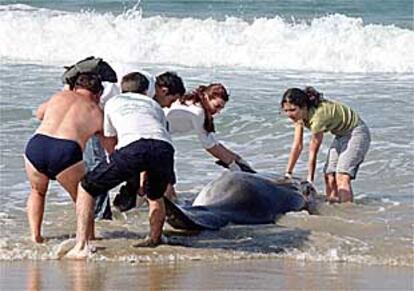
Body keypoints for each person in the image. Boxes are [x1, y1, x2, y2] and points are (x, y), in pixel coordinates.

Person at [66, 71, 186, 259]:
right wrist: (142, 178)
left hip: (133, 147)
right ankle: (155, 238)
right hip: (164, 148)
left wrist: (118, 164)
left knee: (86, 187)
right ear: (146, 91)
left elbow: (110, 139)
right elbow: (157, 137)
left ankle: (81, 244)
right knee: (154, 195)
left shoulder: (113, 103)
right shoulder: (154, 105)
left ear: (122, 89)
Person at [112, 82, 255, 212]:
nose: (218, 111)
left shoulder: (190, 102)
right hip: (156, 142)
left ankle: (134, 211)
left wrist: (237, 160)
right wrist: (236, 167)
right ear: (206, 97)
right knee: (163, 187)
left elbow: (213, 143)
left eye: (221, 108)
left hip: (144, 137)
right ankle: (156, 213)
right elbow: (211, 147)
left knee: (161, 186)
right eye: (217, 106)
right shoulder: (198, 112)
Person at [24, 73, 104, 243]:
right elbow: (108, 142)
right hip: (66, 151)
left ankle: (35, 236)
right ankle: (88, 238)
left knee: (37, 191)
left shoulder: (59, 96)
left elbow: (39, 114)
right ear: (98, 94)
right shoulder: (97, 111)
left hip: (36, 146)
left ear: (75, 88)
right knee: (83, 196)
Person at [280, 87, 371, 203]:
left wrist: (310, 179)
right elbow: (297, 146)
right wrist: (288, 173)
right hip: (340, 135)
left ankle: (347, 213)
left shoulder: (318, 118)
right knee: (329, 175)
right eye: (286, 110)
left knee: (342, 176)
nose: (289, 114)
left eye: (292, 110)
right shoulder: (299, 117)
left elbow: (313, 152)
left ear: (303, 107)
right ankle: (334, 208)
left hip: (356, 132)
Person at [61, 56, 120, 220]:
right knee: (95, 167)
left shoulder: (101, 89)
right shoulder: (108, 86)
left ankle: (98, 214)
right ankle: (98, 212)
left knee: (94, 167)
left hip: (92, 128)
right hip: (96, 126)